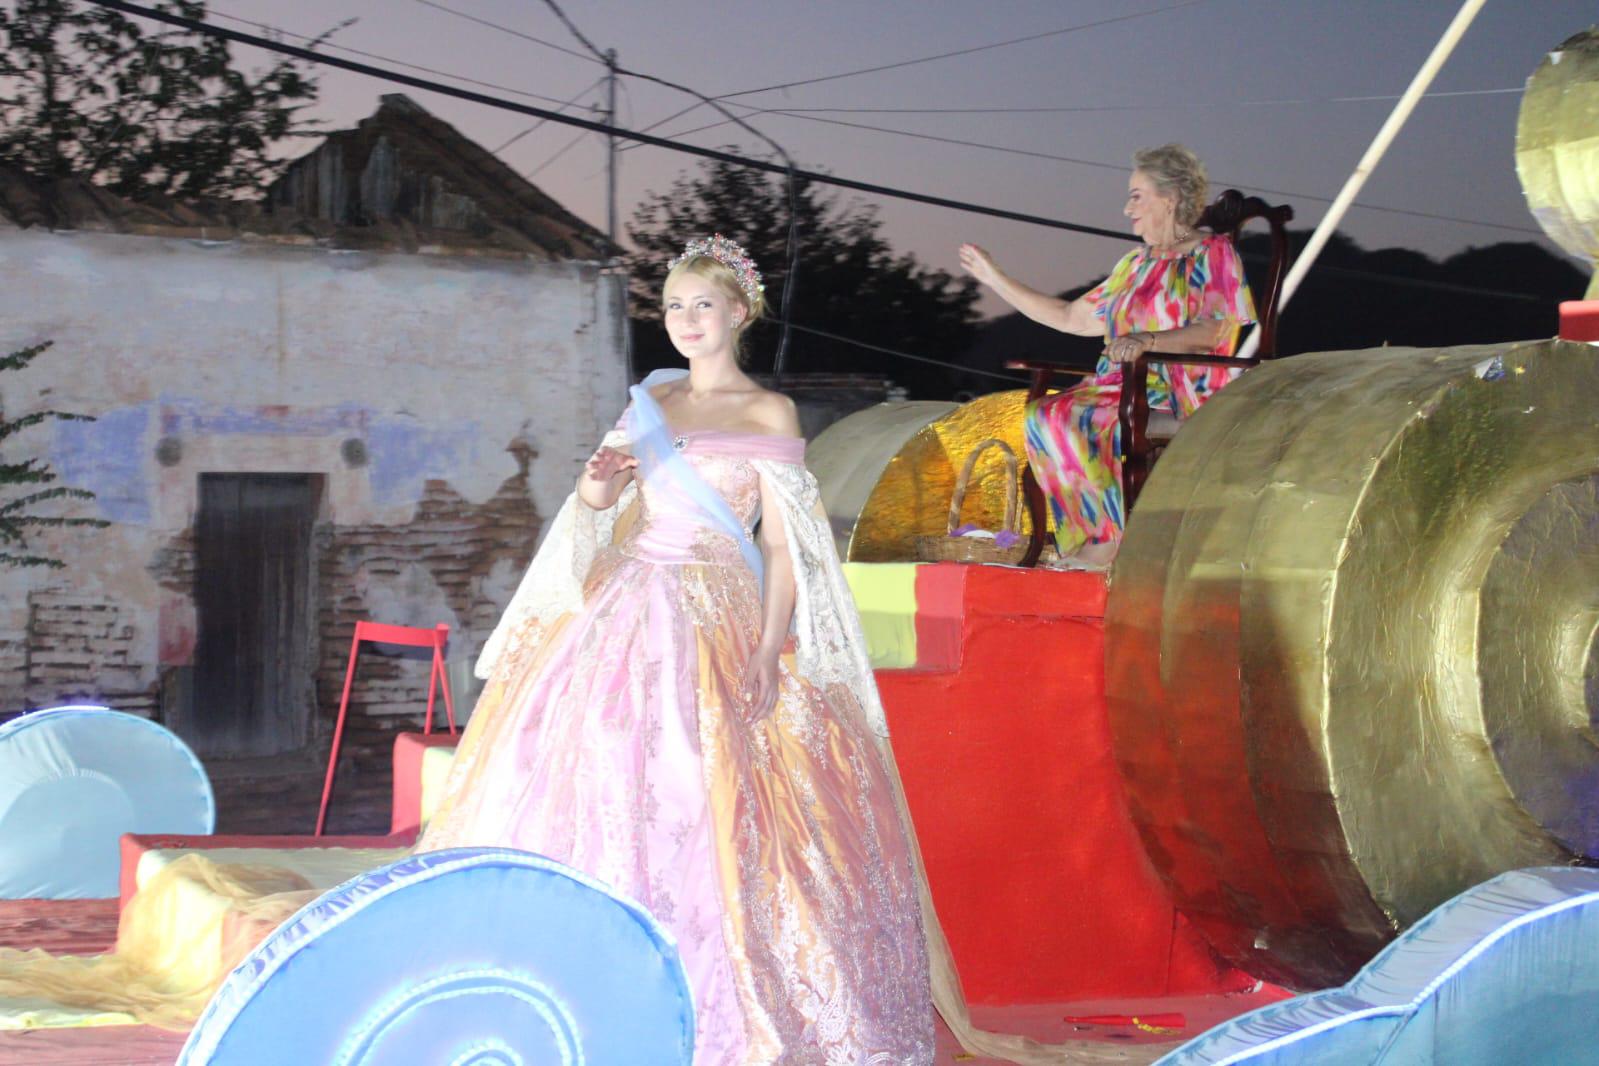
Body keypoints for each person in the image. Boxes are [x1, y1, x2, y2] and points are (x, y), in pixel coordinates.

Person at [415, 235, 936, 1063]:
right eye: (674, 307)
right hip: (626, 602)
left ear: (739, 312)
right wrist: (598, 481)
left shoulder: (769, 413)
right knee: (591, 769)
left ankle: (719, 992)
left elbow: (782, 547)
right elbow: (598, 499)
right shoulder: (651, 404)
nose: (686, 321)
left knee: (713, 790)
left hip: (718, 613)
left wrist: (769, 648)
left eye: (702, 305)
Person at [959, 144, 1256, 568]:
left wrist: (1148, 340)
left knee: (1080, 416)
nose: (1126, 209)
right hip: (1122, 383)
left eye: (1137, 195)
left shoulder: (1212, 254)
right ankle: (1085, 539)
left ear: (1169, 198)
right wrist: (995, 278)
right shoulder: (1134, 265)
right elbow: (1070, 317)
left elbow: (1211, 330)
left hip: (1183, 387)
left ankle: (1110, 541)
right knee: (1044, 414)